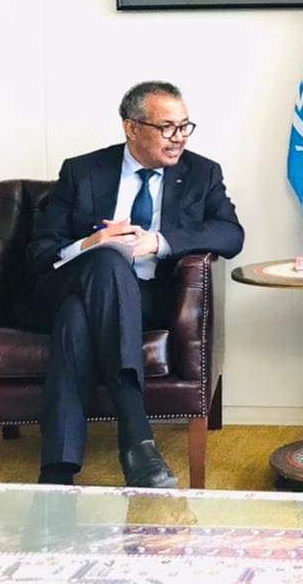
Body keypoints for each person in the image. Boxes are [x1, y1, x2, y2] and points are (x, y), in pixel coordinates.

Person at [25, 81, 243, 488]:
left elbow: (232, 235)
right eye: (167, 127)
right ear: (132, 128)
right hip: (65, 284)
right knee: (106, 261)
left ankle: (57, 470)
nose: (179, 138)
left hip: (145, 298)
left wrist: (158, 241)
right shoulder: (82, 171)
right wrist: (91, 243)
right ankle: (136, 437)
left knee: (77, 317)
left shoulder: (202, 173)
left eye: (185, 126)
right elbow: (39, 252)